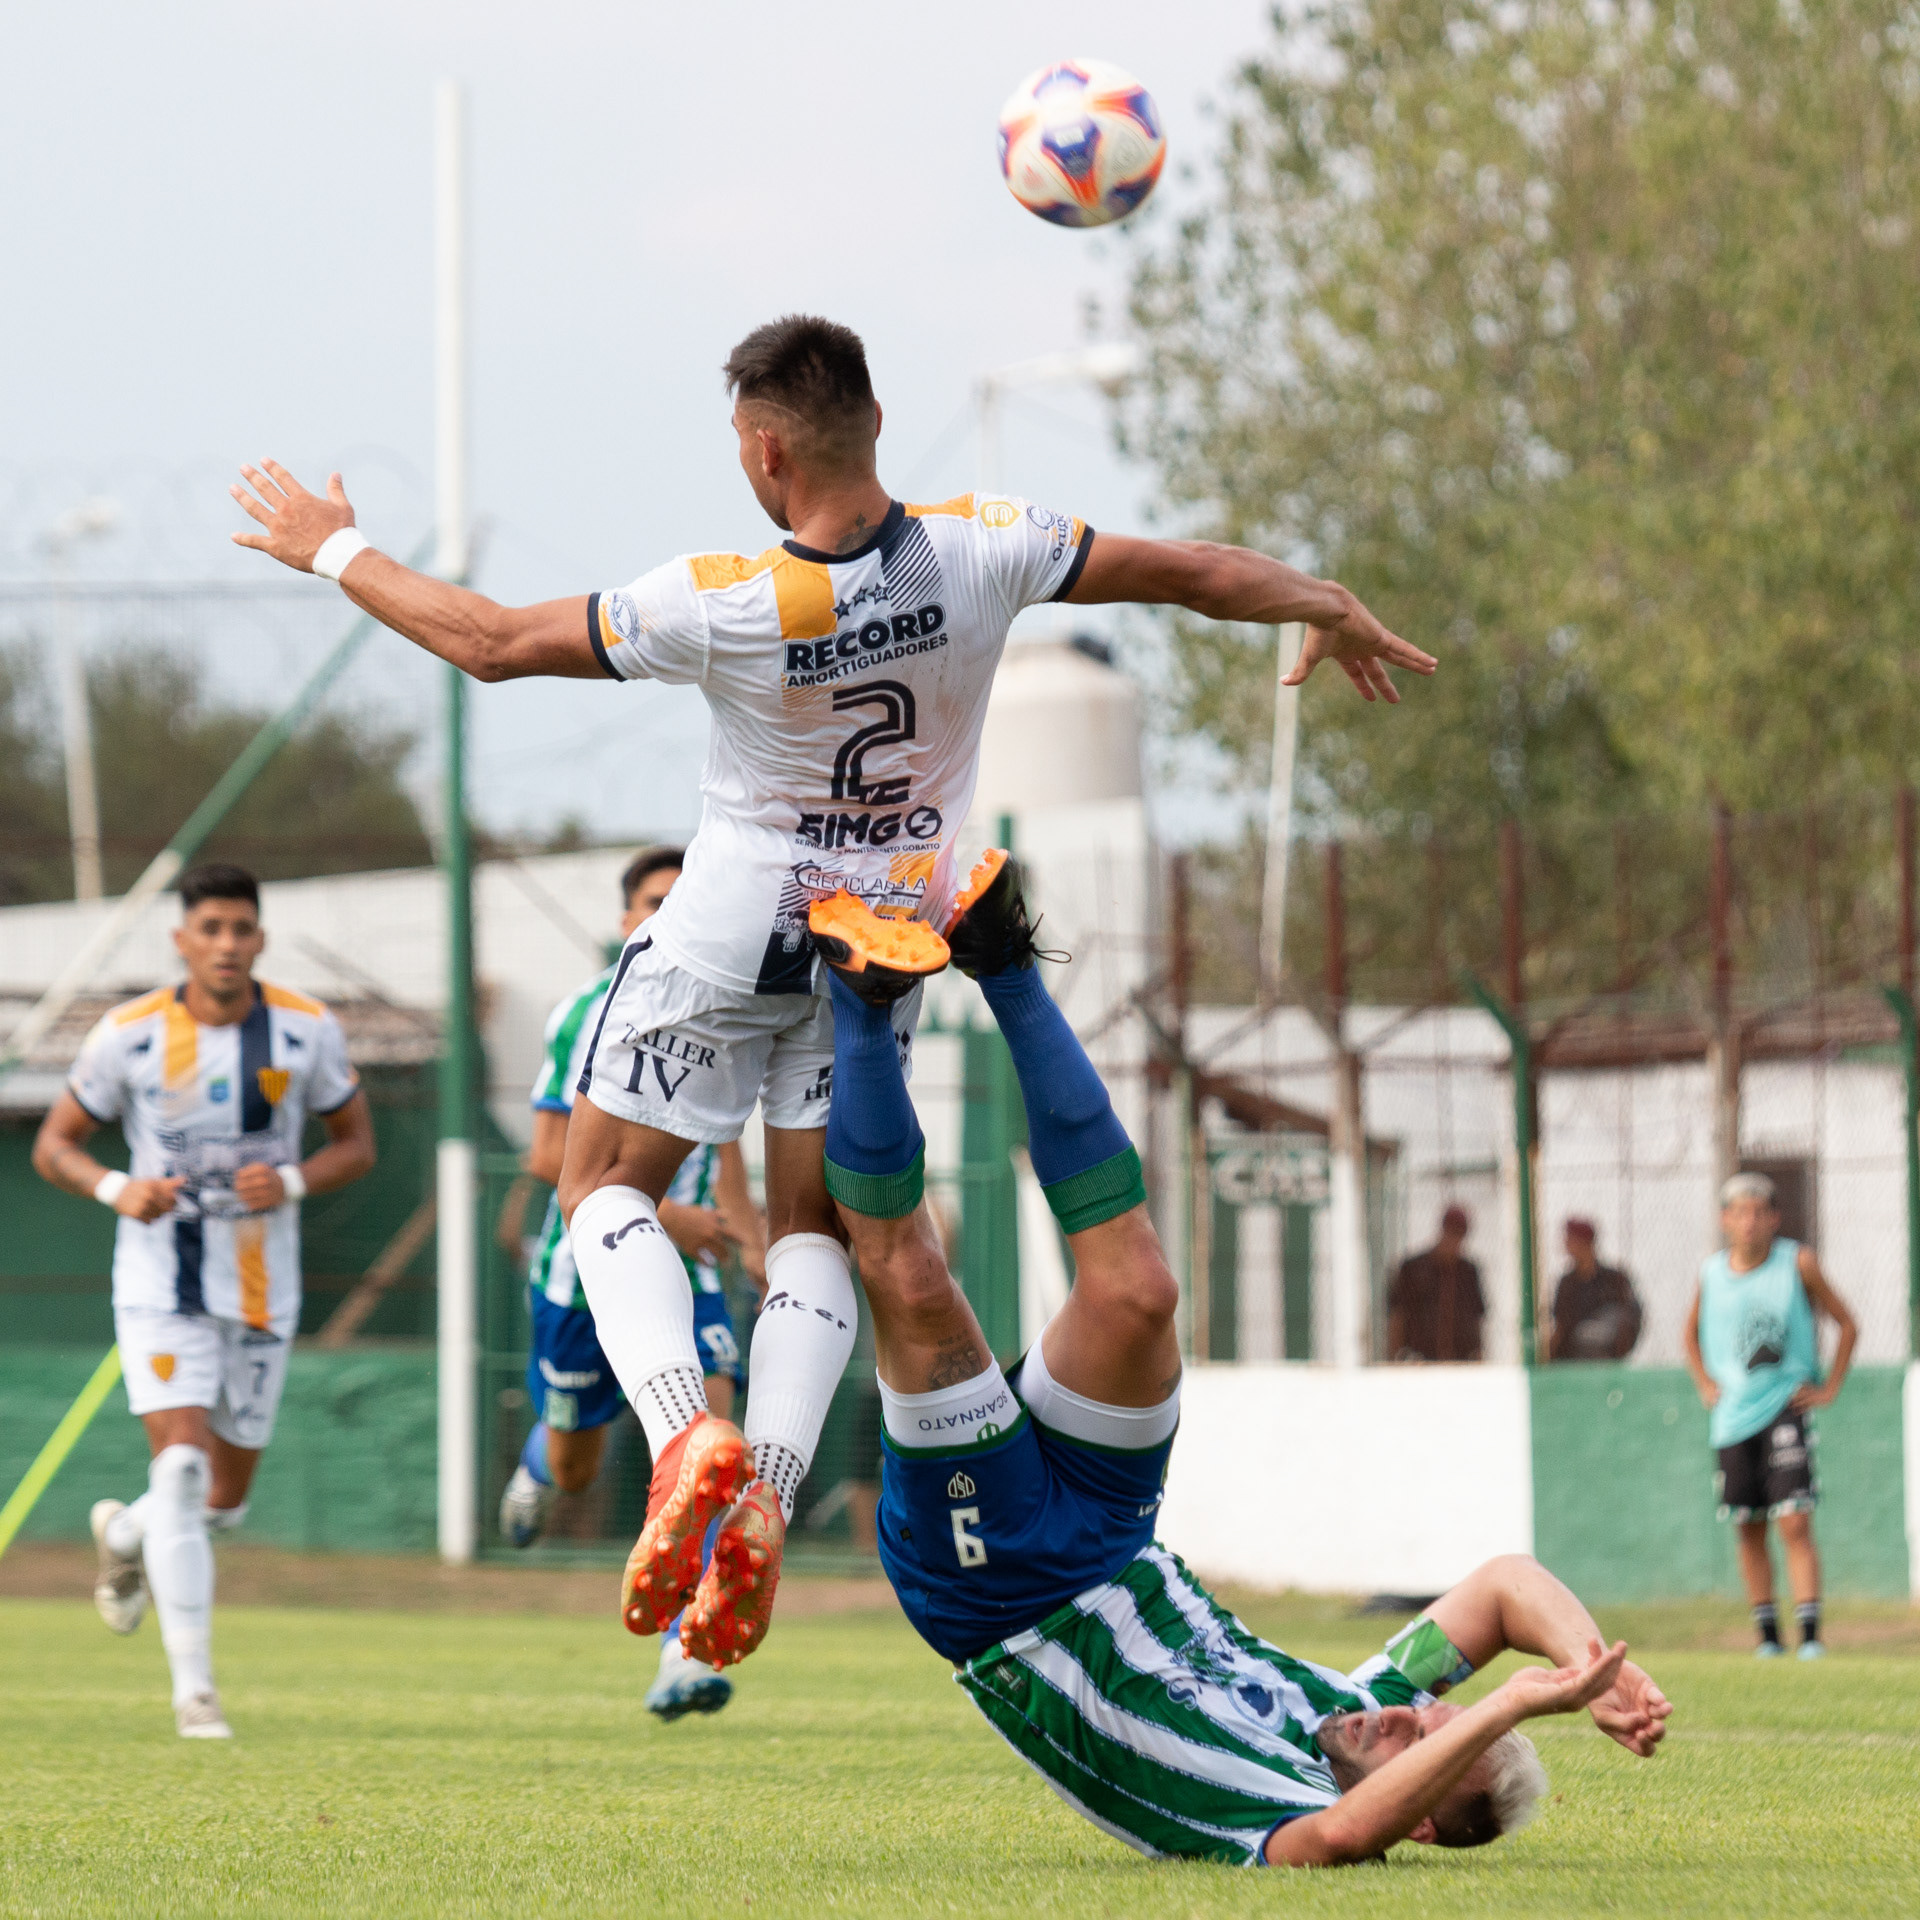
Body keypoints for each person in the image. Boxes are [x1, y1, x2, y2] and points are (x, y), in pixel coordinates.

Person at [230, 312, 1433, 1666]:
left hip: (727, 932)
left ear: (763, 451)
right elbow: (1192, 571)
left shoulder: (731, 599)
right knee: (814, 1229)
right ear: (868, 422)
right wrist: (1321, 602)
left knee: (603, 1189)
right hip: (876, 945)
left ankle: (691, 1432)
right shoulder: (987, 545)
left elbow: (494, 642)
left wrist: (329, 546)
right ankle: (768, 1497)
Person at [809, 857, 1670, 1864]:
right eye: (1430, 1715)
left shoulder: (1280, 1800)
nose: (1401, 1717)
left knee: (919, 1290)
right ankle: (1001, 959)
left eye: (1418, 1741)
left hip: (1004, 1597)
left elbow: (1332, 1844)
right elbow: (1506, 1585)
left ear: (1421, 1813)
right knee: (1138, 1295)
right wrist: (1591, 1668)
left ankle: (862, 1001)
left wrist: (1508, 1708)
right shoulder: (1358, 1708)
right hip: (1112, 1533)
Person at [30, 864, 377, 1737]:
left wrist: (291, 1179)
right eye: (211, 928)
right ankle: (196, 1694)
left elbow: (358, 1145)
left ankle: (123, 1538)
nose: (227, 944)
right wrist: (116, 1188)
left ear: (260, 939)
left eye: (242, 928)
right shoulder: (129, 1034)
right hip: (160, 1285)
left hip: (264, 1290)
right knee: (181, 1470)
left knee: (220, 1502)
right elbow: (55, 1146)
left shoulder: (306, 1029)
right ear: (183, 940)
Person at [495, 846, 766, 1718]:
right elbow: (546, 1155)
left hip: (692, 1278)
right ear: (624, 921)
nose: (668, 914)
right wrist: (661, 1213)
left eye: (684, 899)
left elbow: (725, 1152)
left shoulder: (730, 999)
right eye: (653, 901)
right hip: (583, 1278)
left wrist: (751, 1237)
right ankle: (543, 1464)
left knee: (709, 1444)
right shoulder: (586, 1011)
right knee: (580, 1466)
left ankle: (681, 1654)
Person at [1684, 1172, 1858, 1661]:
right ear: (1725, 1220)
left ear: (1775, 1218)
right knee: (1748, 1524)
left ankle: (1810, 1635)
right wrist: (1704, 1381)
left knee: (1795, 1521)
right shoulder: (1711, 1274)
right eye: (1739, 1212)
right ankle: (1767, 1638)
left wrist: (1830, 1387)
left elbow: (1847, 1324)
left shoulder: (1797, 1263)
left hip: (1785, 1406)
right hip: (1733, 1418)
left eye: (1760, 1212)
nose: (1750, 1221)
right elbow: (1688, 1334)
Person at [1386, 1204, 1485, 1362]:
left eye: (1459, 1235)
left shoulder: (1467, 1271)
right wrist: (1393, 1357)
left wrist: (1479, 1356)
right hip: (1418, 1359)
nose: (1454, 1241)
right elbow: (1397, 1315)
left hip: (1459, 1358)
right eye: (1451, 1233)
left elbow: (1476, 1318)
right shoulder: (1413, 1268)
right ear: (1443, 1231)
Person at [1548, 1217, 1643, 1361]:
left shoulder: (1614, 1279)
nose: (1565, 1244)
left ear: (1584, 1242)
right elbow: (1560, 1327)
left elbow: (1631, 1317)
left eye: (1571, 1239)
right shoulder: (1567, 1283)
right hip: (1572, 1360)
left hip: (1606, 1359)